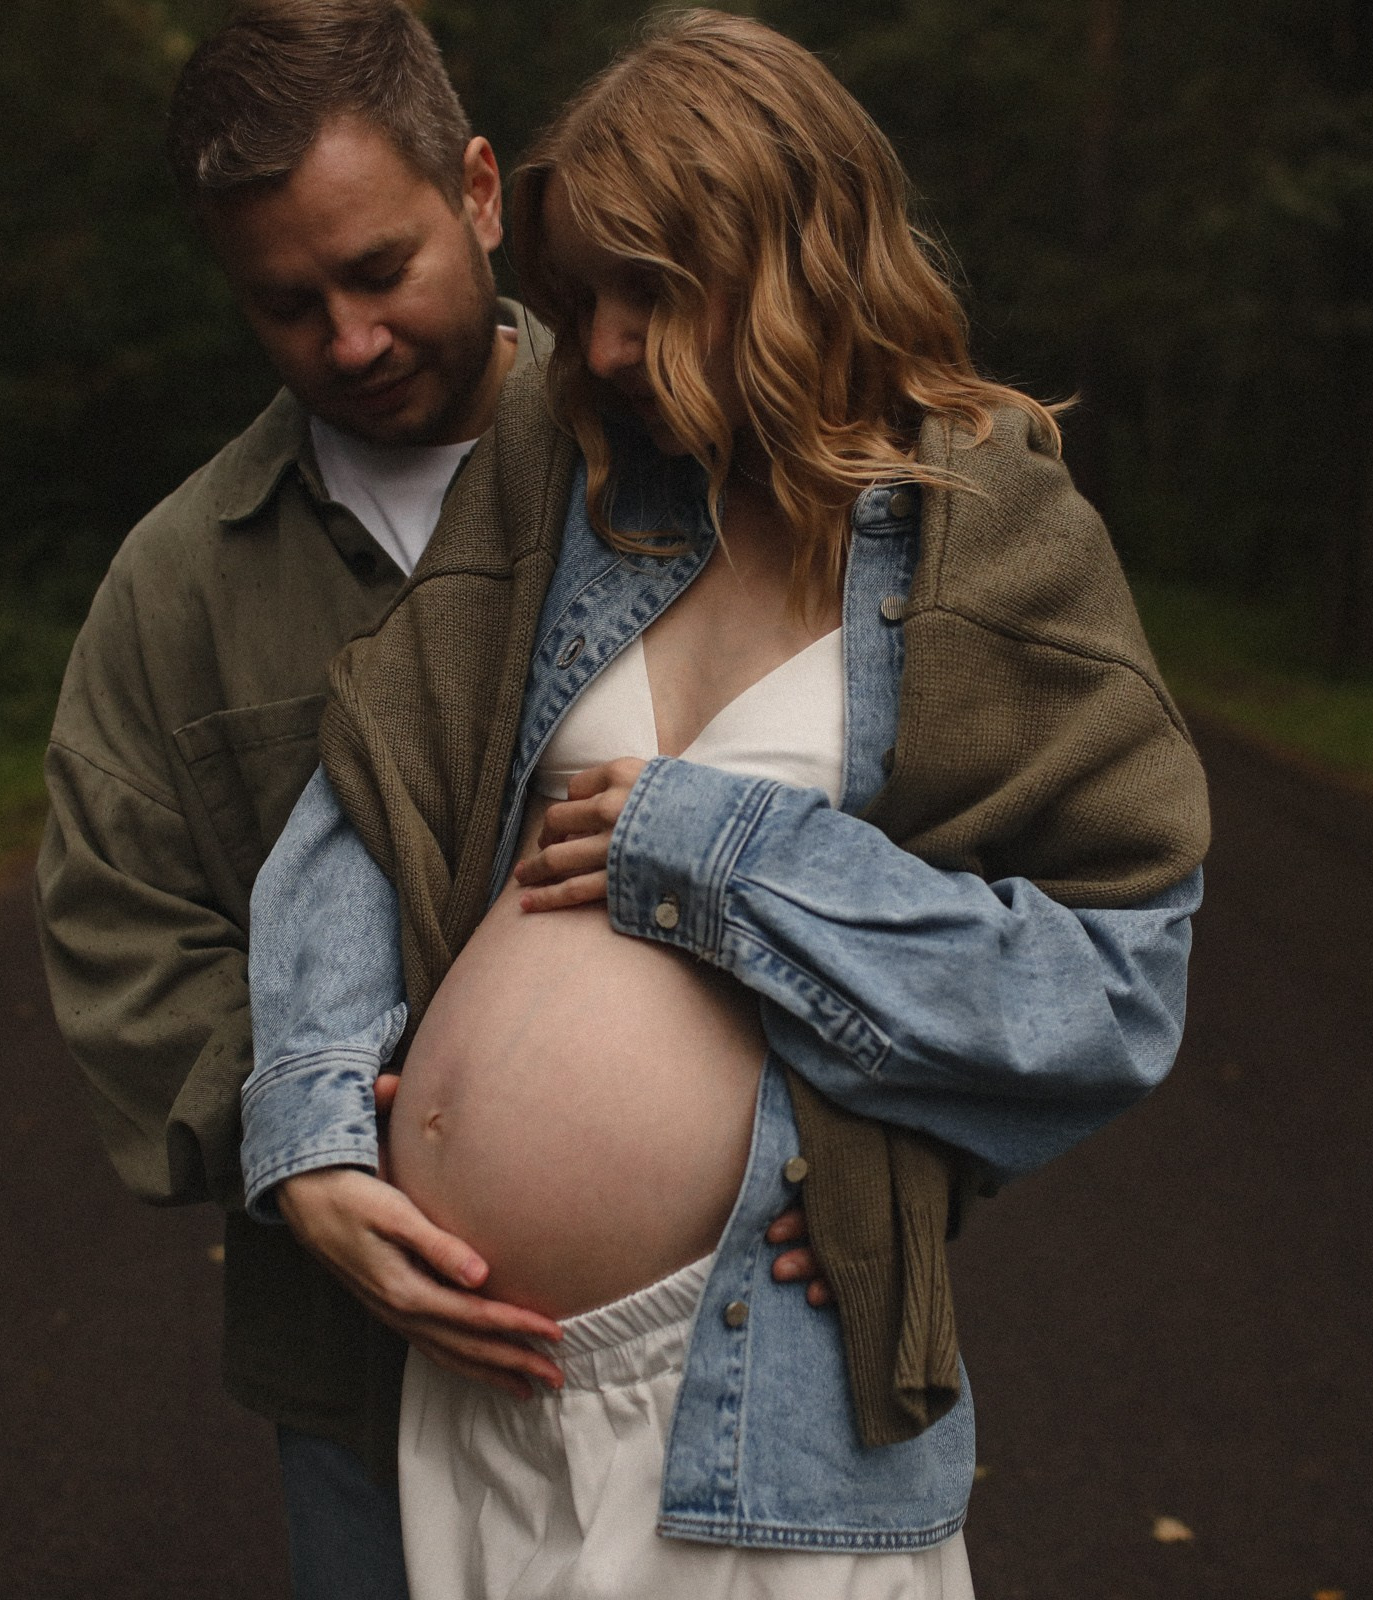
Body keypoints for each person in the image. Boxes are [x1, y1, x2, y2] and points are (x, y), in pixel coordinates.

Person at [242, 12, 1211, 1597]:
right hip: (479, 1394)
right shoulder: (568, 474)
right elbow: (372, 782)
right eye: (585, 293)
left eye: (650, 291)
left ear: (790, 257)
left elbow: (1114, 988)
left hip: (756, 1396)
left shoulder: (990, 528)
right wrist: (314, 1130)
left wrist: (717, 853)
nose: (602, 348)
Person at [35, 4, 549, 1596]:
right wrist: (297, 1140)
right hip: (361, 1392)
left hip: (726, 1346)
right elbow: (119, 931)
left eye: (379, 269)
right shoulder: (181, 581)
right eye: (286, 303)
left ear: (477, 190)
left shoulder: (666, 458)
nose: (349, 341)